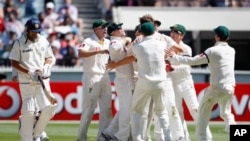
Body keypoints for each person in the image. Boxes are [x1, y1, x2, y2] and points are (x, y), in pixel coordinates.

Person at [166, 25, 237, 141]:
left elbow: (193, 61)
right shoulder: (231, 50)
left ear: (216, 36)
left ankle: (205, 139)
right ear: (227, 38)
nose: (172, 34)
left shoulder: (212, 51)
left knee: (201, 114)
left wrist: (174, 57)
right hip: (230, 87)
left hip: (216, 87)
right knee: (227, 114)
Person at [107, 22, 171, 141]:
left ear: (141, 32)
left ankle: (136, 138)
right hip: (160, 82)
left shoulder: (138, 46)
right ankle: (167, 138)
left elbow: (131, 57)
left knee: (136, 111)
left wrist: (115, 64)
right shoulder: (161, 43)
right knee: (161, 112)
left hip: (143, 82)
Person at [8, 17, 57, 141]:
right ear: (27, 30)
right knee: (29, 111)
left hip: (42, 80)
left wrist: (46, 67)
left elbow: (50, 57)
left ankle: (37, 134)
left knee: (50, 108)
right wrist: (30, 72)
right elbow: (14, 62)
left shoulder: (43, 41)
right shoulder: (19, 42)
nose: (35, 34)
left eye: (37, 31)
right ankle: (29, 137)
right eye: (33, 32)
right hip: (26, 81)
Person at [166, 24, 212, 141]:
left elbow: (187, 67)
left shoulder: (186, 48)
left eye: (176, 32)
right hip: (172, 83)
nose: (172, 34)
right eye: (171, 31)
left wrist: (173, 68)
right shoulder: (166, 47)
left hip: (185, 82)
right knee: (177, 112)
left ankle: (206, 137)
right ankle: (183, 138)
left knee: (195, 110)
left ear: (181, 35)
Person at [76, 19, 113, 141]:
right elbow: (80, 53)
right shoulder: (89, 40)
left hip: (105, 76)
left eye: (106, 27)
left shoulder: (108, 42)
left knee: (107, 108)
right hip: (91, 76)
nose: (105, 29)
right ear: (95, 29)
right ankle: (81, 138)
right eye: (103, 27)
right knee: (89, 108)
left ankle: (102, 137)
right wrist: (99, 51)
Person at [101, 22, 135, 141]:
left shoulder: (119, 40)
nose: (122, 29)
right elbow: (115, 49)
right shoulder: (115, 41)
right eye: (119, 28)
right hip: (123, 79)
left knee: (127, 108)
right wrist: (126, 41)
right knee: (127, 110)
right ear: (113, 32)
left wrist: (127, 41)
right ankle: (121, 136)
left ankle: (110, 131)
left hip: (126, 78)